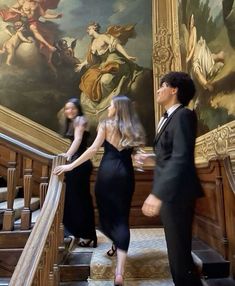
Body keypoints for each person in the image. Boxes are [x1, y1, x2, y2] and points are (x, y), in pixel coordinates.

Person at [54, 95, 146, 286]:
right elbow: (139, 156)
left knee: (104, 218)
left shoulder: (106, 124)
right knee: (122, 218)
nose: (108, 108)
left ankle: (115, 240)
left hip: (107, 172)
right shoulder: (134, 127)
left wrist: (70, 166)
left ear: (118, 108)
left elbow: (93, 149)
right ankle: (119, 271)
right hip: (126, 174)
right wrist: (140, 160)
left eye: (111, 105)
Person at [136, 72, 204, 286]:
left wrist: (157, 194)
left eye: (162, 85)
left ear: (174, 90)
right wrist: (151, 159)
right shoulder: (169, 117)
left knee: (179, 256)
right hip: (171, 192)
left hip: (176, 193)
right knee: (178, 255)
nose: (157, 90)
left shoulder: (183, 115)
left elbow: (181, 157)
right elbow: (170, 155)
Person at [75, 22, 142, 123]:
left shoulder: (103, 37)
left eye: (89, 28)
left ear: (94, 28)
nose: (87, 30)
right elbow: (90, 59)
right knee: (89, 79)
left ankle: (111, 100)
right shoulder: (92, 43)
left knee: (105, 80)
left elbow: (117, 45)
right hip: (103, 64)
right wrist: (82, 64)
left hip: (113, 60)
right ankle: (99, 104)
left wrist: (127, 56)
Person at [59, 98, 97, 249]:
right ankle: (77, 232)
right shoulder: (73, 121)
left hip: (80, 164)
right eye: (67, 108)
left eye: (72, 108)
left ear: (78, 109)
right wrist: (67, 156)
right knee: (73, 199)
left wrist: (67, 156)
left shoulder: (80, 120)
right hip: (76, 163)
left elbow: (78, 140)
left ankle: (86, 235)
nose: (70, 111)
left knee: (80, 200)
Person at [186, 14, 224, 92]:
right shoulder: (187, 33)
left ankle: (207, 84)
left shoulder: (194, 29)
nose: (191, 23)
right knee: (197, 70)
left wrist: (189, 57)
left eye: (192, 21)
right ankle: (207, 84)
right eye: (190, 21)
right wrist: (189, 57)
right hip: (194, 57)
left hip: (197, 53)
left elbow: (193, 48)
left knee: (199, 68)